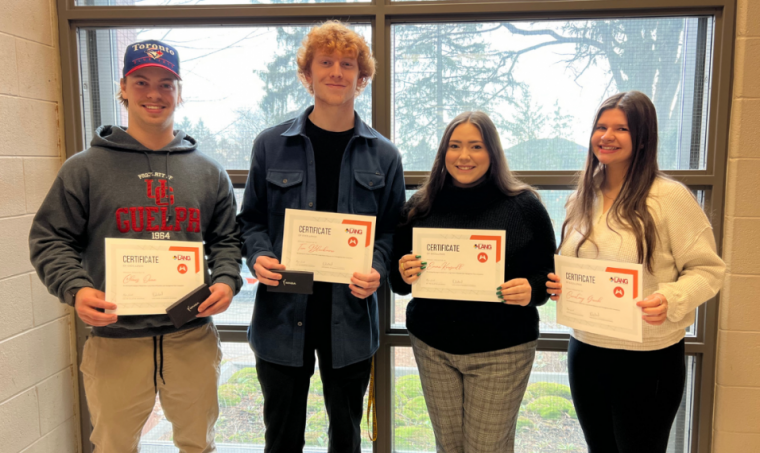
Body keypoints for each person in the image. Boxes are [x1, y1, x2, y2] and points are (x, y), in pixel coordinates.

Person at [29, 40, 242, 453]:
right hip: (115, 340)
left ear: (180, 92)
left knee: (198, 444)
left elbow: (226, 239)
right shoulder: (84, 169)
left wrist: (228, 280)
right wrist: (76, 288)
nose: (153, 94)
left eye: (166, 84)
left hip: (191, 337)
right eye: (141, 81)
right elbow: (50, 238)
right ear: (123, 88)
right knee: (113, 446)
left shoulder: (208, 171)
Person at [237, 21, 406, 453]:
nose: (336, 72)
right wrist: (258, 256)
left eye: (347, 64)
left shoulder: (384, 155)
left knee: (346, 437)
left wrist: (378, 267)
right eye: (325, 62)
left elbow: (391, 230)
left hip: (349, 317)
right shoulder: (271, 145)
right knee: (282, 437)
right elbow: (250, 220)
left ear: (361, 77)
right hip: (282, 315)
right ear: (307, 74)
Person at [546, 91, 725, 453]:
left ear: (643, 138)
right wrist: (560, 285)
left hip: (648, 361)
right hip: (586, 352)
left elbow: (708, 270)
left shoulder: (669, 197)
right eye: (600, 127)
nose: (606, 136)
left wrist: (671, 298)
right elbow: (576, 264)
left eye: (621, 129)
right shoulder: (582, 196)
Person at [390, 111, 556, 452]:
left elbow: (548, 276)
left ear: (492, 153)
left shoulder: (524, 206)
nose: (464, 156)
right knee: (448, 446)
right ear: (443, 153)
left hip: (503, 351)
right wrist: (403, 272)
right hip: (433, 347)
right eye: (455, 146)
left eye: (476, 146)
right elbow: (398, 280)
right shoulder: (420, 206)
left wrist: (531, 289)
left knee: (487, 447)